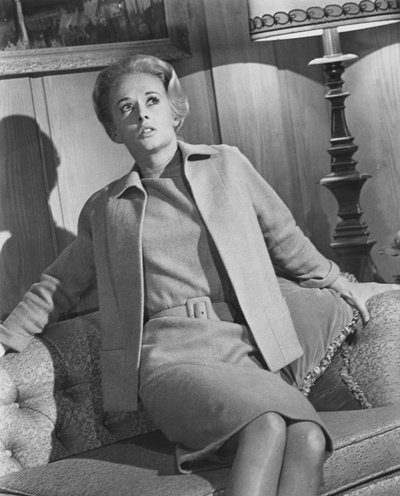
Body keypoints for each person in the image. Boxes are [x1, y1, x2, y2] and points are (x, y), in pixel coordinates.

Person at [0, 54, 397, 496]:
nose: (142, 114)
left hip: (240, 346)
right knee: (266, 426)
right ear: (114, 130)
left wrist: (337, 279)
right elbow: (59, 284)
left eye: (152, 100)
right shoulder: (107, 207)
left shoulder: (227, 165)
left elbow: (283, 237)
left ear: (174, 111)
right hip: (172, 356)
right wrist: (5, 338)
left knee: (307, 436)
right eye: (126, 108)